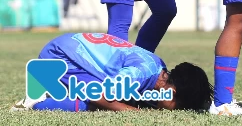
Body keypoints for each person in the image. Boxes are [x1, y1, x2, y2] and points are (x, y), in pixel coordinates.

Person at [11, 32, 212, 112]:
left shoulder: (158, 68)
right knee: (95, 103)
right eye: (178, 107)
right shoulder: (140, 73)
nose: (173, 111)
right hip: (59, 58)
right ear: (173, 93)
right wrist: (133, 112)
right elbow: (101, 96)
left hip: (69, 48)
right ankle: (37, 101)